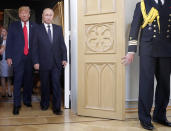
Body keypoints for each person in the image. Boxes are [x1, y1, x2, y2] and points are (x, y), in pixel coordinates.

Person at [122, 0, 171, 130]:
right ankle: (144, 118)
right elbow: (135, 27)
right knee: (146, 85)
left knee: (165, 85)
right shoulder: (142, 4)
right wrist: (131, 51)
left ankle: (160, 116)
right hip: (148, 49)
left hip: (166, 50)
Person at [32, 8, 67, 115]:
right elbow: (34, 47)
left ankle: (57, 108)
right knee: (45, 85)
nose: (48, 17)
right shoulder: (37, 29)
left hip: (56, 63)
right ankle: (45, 104)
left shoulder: (58, 28)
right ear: (42, 16)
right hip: (43, 63)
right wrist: (36, 62)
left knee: (56, 85)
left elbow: (62, 45)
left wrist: (64, 58)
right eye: (46, 15)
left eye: (50, 15)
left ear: (53, 16)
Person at [6, 6, 37, 115]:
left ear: (29, 15)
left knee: (29, 81)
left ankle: (27, 101)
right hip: (17, 58)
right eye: (22, 13)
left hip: (30, 58)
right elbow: (9, 42)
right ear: (19, 15)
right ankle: (16, 105)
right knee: (18, 81)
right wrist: (8, 57)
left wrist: (37, 60)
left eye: (26, 13)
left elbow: (37, 44)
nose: (24, 14)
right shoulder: (13, 26)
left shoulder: (35, 26)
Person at [0, 27, 13, 97]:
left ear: (7, 32)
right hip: (2, 61)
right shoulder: (0, 40)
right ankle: (3, 91)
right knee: (2, 76)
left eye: (4, 31)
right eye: (2, 31)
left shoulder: (10, 40)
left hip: (9, 60)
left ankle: (9, 91)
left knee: (9, 76)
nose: (3, 32)